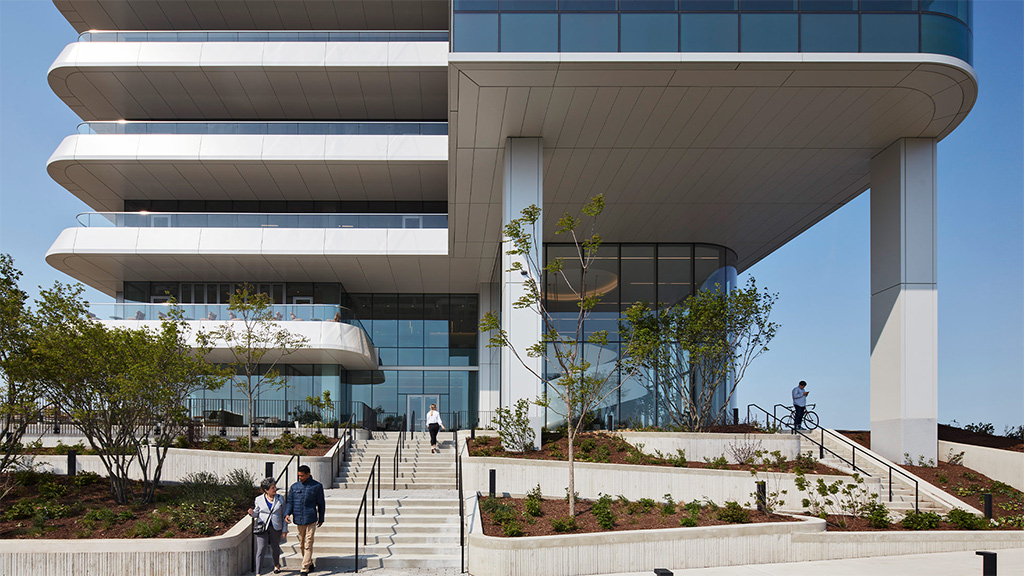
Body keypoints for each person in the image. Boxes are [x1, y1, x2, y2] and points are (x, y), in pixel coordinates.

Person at [284, 465, 325, 575]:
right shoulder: (294, 487)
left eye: (302, 476)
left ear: (308, 474)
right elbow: (290, 502)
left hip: (311, 518)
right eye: (299, 476)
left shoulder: (317, 486)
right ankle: (309, 563)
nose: (300, 478)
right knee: (302, 544)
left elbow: (321, 503)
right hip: (298, 518)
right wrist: (287, 513)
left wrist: (321, 518)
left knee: (308, 543)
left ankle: (305, 568)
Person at [248, 477, 286, 575]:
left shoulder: (280, 498)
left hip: (276, 526)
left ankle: (276, 565)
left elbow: (284, 514)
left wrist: (285, 529)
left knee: (275, 547)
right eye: (272, 488)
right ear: (266, 490)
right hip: (263, 526)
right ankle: (258, 572)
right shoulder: (259, 499)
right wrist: (252, 513)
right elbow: (256, 513)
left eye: (275, 487)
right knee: (261, 548)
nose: (275, 489)